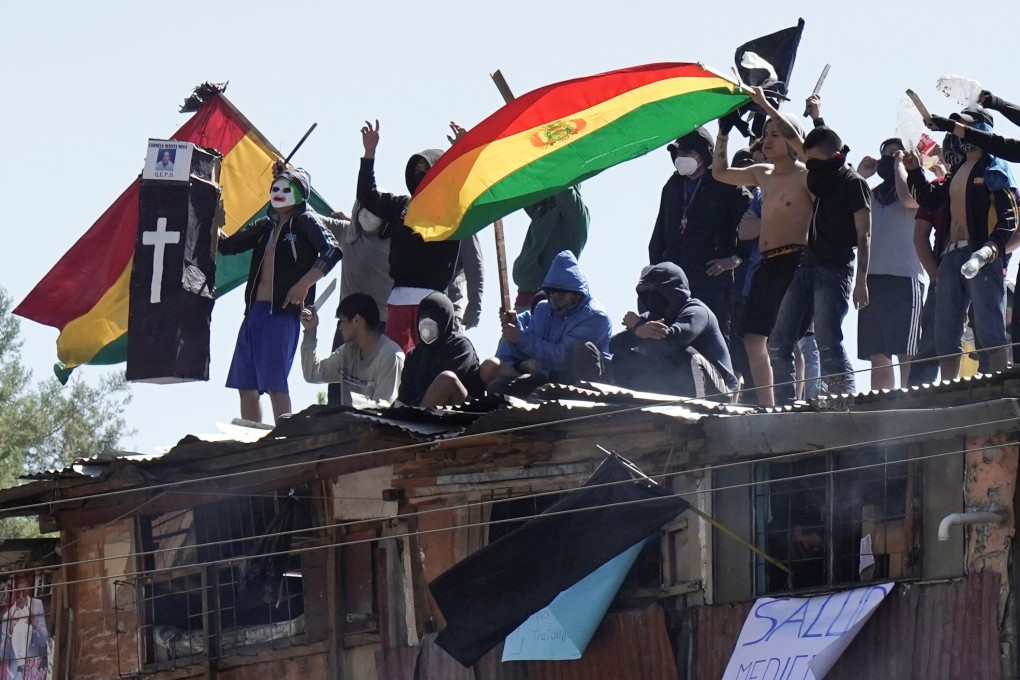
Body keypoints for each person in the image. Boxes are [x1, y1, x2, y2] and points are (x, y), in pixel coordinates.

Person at [712, 87, 814, 406]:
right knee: (753, 338)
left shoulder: (807, 176)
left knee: (787, 341)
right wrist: (724, 133)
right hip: (766, 265)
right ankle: (767, 404)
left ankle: (794, 399)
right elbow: (720, 173)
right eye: (765, 134)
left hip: (796, 264)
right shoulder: (761, 173)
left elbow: (809, 153)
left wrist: (767, 106)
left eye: (775, 134)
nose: (767, 139)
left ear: (792, 140)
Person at [219, 166, 342, 423]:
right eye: (276, 187)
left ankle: (285, 437)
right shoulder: (265, 225)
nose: (279, 193)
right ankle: (252, 438)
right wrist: (211, 218)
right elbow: (228, 246)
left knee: (276, 383)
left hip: (283, 312)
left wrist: (304, 283)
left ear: (299, 193)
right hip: (255, 312)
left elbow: (332, 251)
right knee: (246, 386)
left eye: (287, 188)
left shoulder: (306, 221)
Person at [906, 107, 1017, 379]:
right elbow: (930, 200)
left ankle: (999, 378)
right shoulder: (955, 172)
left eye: (966, 126)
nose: (960, 132)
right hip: (950, 255)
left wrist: (993, 248)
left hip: (980, 255)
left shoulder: (994, 167)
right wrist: (914, 172)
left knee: (990, 323)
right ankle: (949, 386)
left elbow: (1009, 215)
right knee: (946, 328)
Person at [767, 125, 872, 405]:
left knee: (827, 340)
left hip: (835, 269)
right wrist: (764, 104)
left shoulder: (853, 183)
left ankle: (842, 401)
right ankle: (785, 404)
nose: (809, 165)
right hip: (807, 267)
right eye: (808, 159)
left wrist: (862, 280)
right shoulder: (819, 177)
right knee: (779, 339)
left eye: (814, 160)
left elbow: (865, 235)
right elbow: (792, 138)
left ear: (833, 155)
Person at [357, 120, 462, 352]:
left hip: (433, 301)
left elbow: (470, 187)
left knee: (430, 366)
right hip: (398, 300)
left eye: (427, 169)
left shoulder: (454, 209)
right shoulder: (401, 205)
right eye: (416, 170)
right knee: (396, 369)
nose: (420, 174)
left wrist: (461, 154)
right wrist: (369, 154)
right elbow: (367, 196)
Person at [648, 127, 750, 337]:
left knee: (712, 338)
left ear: (704, 154)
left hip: (712, 281)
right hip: (675, 284)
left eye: (687, 152)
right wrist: (655, 273)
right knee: (672, 340)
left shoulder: (727, 185)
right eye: (678, 153)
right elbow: (659, 233)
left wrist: (736, 258)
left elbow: (755, 222)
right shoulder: (672, 185)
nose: (680, 157)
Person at [610, 262, 738, 398]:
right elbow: (613, 345)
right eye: (648, 291)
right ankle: (636, 404)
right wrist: (637, 333)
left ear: (673, 289)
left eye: (656, 290)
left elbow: (671, 342)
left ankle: (696, 407)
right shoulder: (653, 317)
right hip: (676, 385)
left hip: (722, 391)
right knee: (622, 358)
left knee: (685, 354)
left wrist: (638, 326)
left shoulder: (696, 311)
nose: (651, 295)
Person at [855, 138, 924, 390]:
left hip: (905, 279)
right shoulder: (871, 195)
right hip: (872, 280)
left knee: (906, 351)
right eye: (887, 155)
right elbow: (845, 208)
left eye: (898, 153)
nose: (892, 158)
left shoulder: (918, 190)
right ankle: (881, 405)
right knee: (877, 353)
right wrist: (861, 175)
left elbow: (907, 199)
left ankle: (908, 403)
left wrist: (900, 166)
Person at [491, 250, 612, 386]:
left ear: (576, 294)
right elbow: (527, 349)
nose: (555, 299)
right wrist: (514, 329)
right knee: (496, 389)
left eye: (561, 293)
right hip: (548, 379)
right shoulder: (543, 309)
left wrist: (520, 338)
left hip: (582, 383)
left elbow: (562, 357)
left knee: (582, 348)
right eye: (551, 292)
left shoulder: (595, 317)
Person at [321, 200, 393, 405]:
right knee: (337, 387)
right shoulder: (347, 233)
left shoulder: (397, 241)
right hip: (347, 323)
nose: (369, 216)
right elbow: (309, 217)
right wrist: (293, 185)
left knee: (375, 391)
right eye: (364, 210)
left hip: (380, 326)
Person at [300, 293, 404, 406]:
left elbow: (384, 409)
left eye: (342, 321)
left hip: (375, 423)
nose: (340, 327)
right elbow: (312, 374)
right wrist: (310, 331)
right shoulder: (347, 352)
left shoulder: (390, 356)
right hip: (349, 422)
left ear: (356, 320)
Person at [397, 292, 483, 408]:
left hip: (462, 413)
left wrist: (412, 410)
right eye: (423, 316)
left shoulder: (460, 347)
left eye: (434, 317)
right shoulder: (414, 355)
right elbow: (404, 396)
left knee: (446, 379)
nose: (426, 322)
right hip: (420, 414)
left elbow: (443, 388)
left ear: (445, 318)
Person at [513, 187, 590, 312]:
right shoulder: (542, 211)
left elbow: (563, 185)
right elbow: (522, 187)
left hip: (552, 300)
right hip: (524, 298)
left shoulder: (575, 213)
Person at [0, 572, 48, 680]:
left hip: (33, 672)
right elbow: (2, 655)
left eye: (24, 592)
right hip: (14, 675)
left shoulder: (37, 605)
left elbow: (44, 642)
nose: (21, 596)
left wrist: (36, 625)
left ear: (29, 590)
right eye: (18, 593)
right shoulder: (7, 616)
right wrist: (10, 631)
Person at [447, 233, 484, 331]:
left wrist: (474, 309)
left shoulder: (460, 224)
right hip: (414, 309)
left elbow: (475, 268)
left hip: (448, 312)